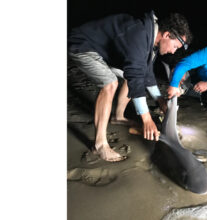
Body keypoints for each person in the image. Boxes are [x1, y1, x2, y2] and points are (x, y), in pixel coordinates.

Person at [68, 11, 192, 162]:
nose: (173, 51)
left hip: (103, 52)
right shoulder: (139, 34)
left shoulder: (151, 40)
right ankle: (100, 145)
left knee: (133, 75)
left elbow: (146, 73)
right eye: (175, 47)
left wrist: (160, 100)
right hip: (82, 45)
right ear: (166, 35)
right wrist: (146, 119)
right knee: (110, 84)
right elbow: (135, 75)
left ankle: (118, 116)